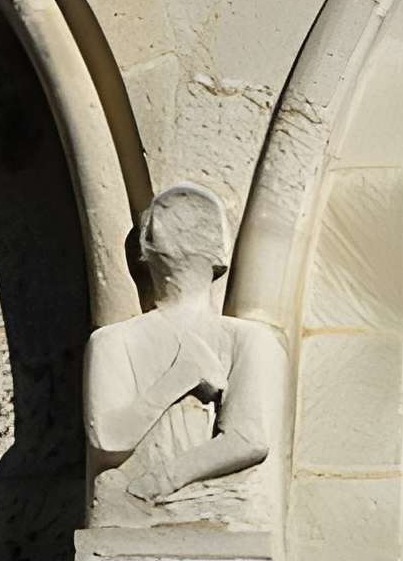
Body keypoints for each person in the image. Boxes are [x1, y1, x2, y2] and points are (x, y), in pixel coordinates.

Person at [87, 183, 283, 527]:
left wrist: (160, 482)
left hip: (193, 499)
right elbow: (107, 439)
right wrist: (179, 377)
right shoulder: (113, 341)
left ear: (145, 250)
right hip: (140, 506)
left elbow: (249, 439)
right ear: (221, 252)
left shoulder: (245, 338)